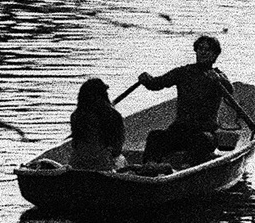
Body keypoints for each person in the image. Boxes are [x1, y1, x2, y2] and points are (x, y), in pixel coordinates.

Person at [133, 35, 231, 163]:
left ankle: (188, 168)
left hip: (204, 132)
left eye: (208, 50)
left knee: (202, 139)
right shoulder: (184, 72)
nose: (203, 52)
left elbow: (230, 91)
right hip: (180, 131)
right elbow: (157, 83)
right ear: (196, 51)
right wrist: (147, 80)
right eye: (200, 48)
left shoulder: (218, 76)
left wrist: (219, 80)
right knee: (155, 136)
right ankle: (149, 167)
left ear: (215, 55)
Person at [69, 78, 126, 173]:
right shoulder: (114, 116)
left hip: (76, 163)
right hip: (103, 164)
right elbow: (117, 149)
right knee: (122, 160)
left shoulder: (76, 116)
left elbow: (74, 145)